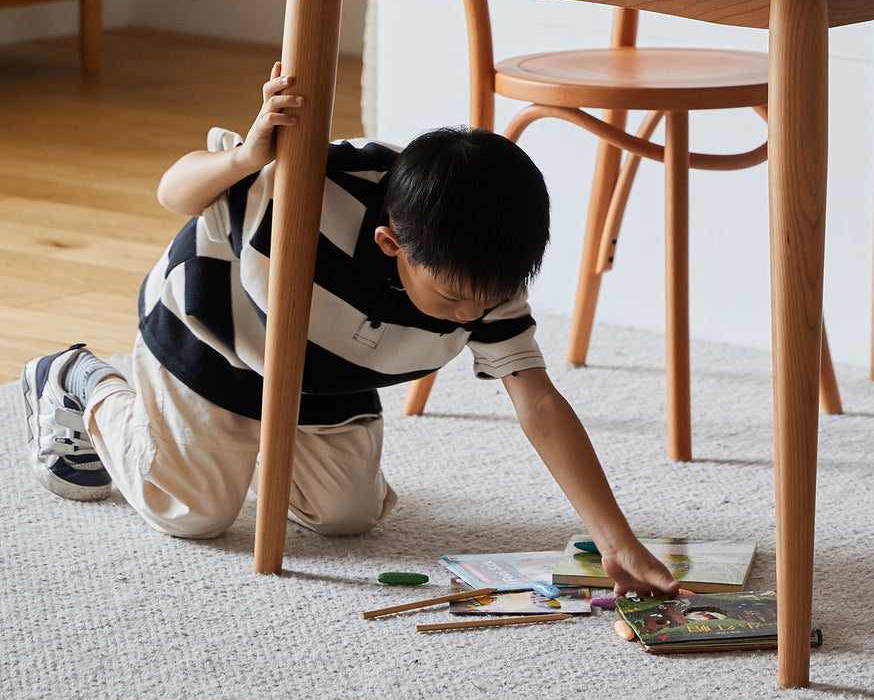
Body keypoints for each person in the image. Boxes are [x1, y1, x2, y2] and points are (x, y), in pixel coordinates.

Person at [22, 63, 678, 597]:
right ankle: (81, 380)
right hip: (213, 342)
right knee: (194, 512)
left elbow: (536, 401)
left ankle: (237, 445)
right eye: (452, 298)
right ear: (393, 243)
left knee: (347, 517)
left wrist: (616, 539)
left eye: (484, 302)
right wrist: (248, 156)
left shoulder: (485, 271)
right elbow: (174, 193)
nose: (468, 316)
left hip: (327, 373)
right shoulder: (311, 182)